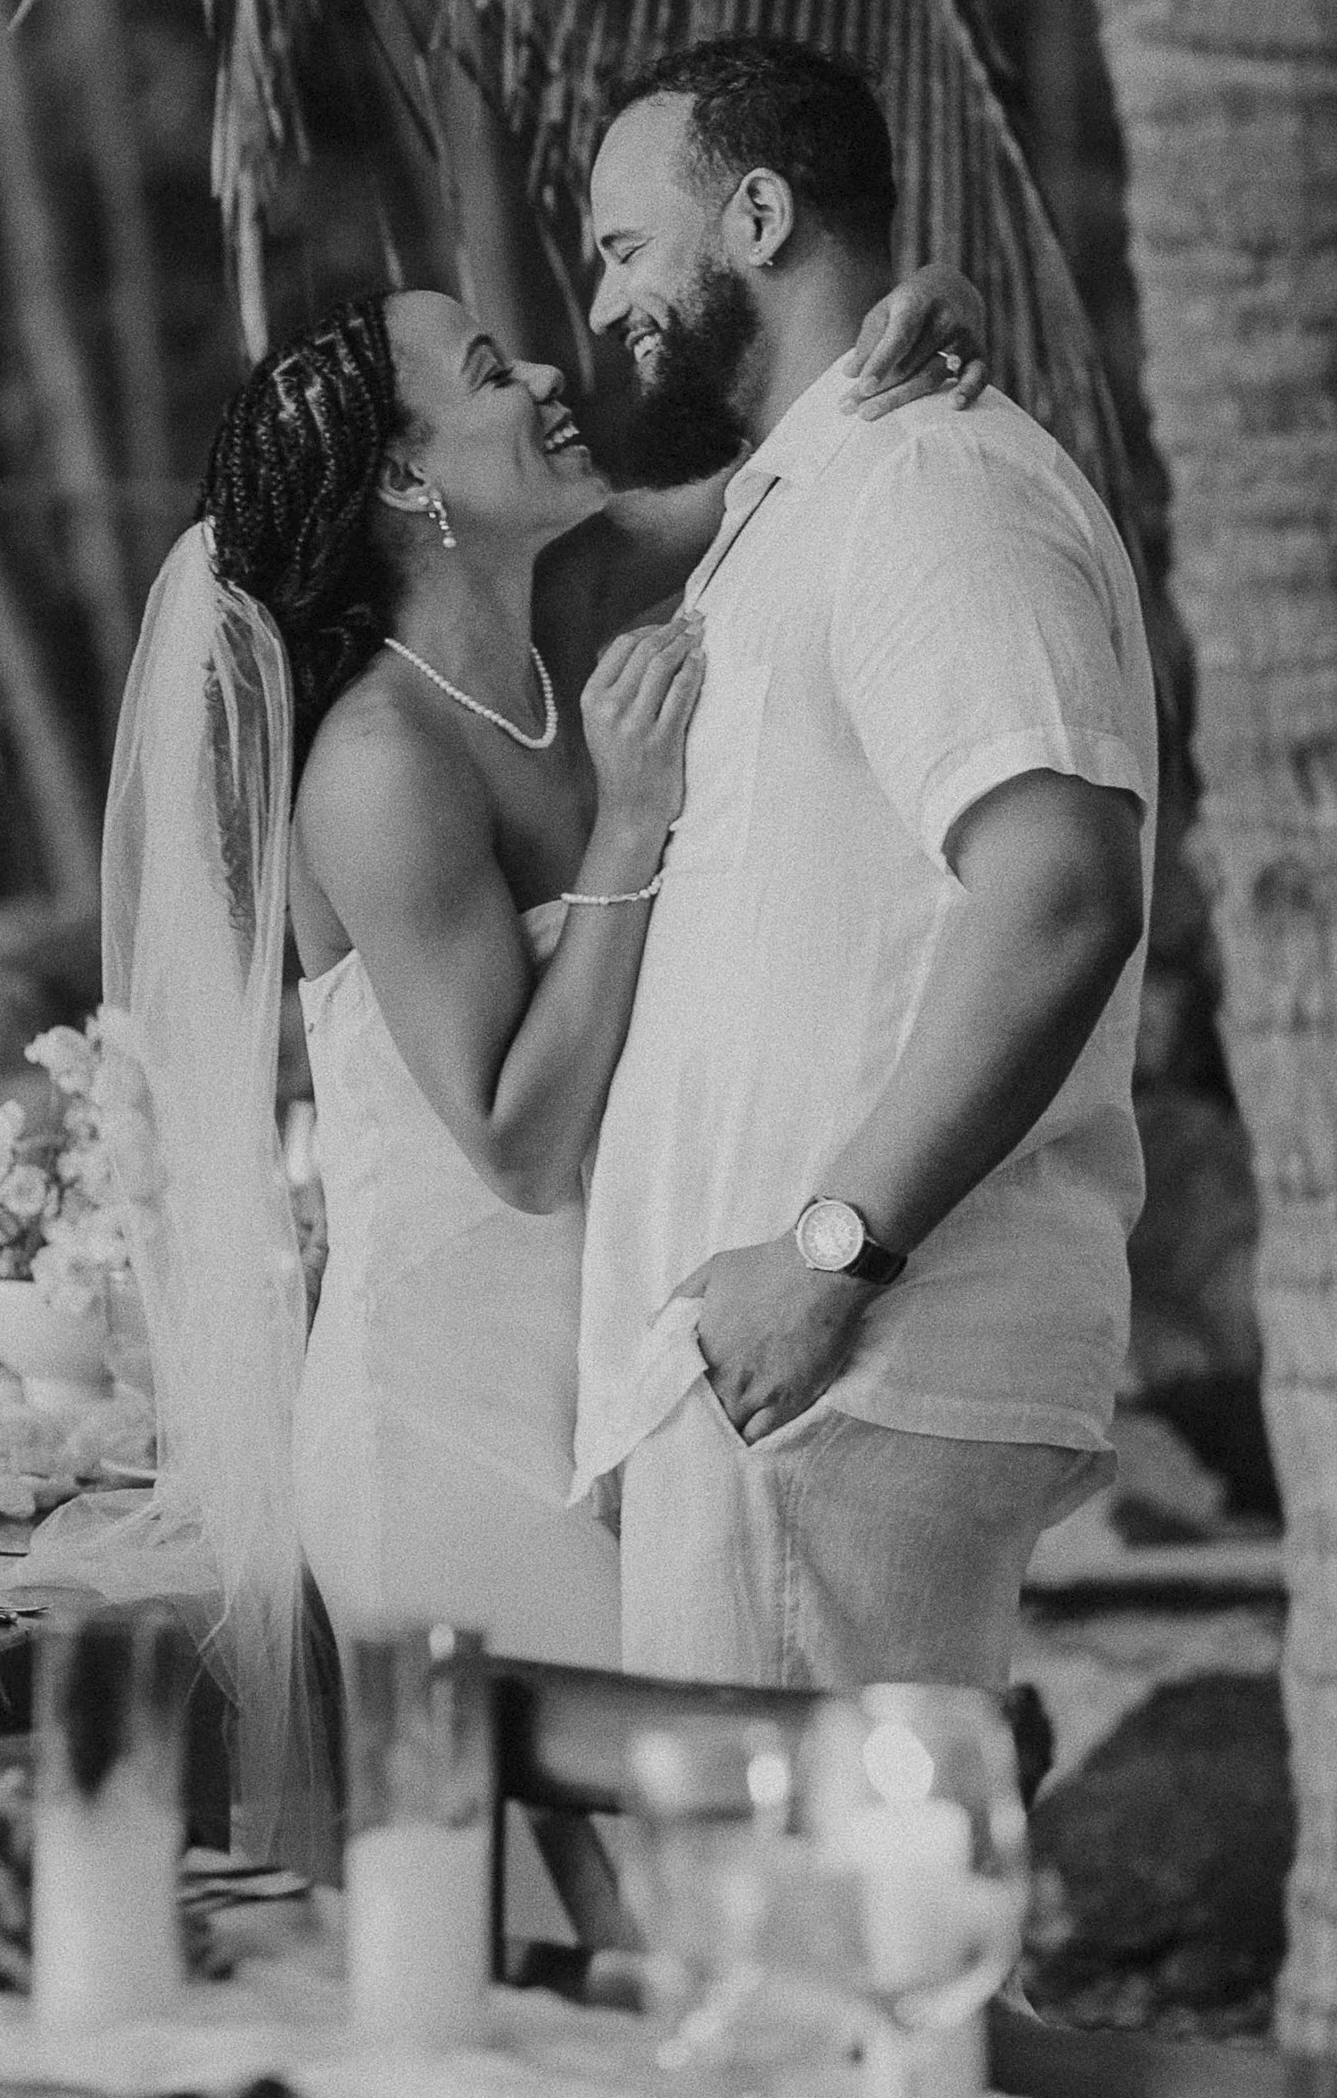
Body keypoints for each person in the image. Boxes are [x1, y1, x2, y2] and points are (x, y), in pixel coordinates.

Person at [67, 243, 989, 1858]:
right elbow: (518, 1141)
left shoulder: (566, 606)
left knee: (666, 1903)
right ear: (410, 485)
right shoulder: (378, 760)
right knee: (599, 1921)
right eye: (490, 371)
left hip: (594, 1380)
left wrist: (896, 342)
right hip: (446, 1422)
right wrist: (635, 818)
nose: (551, 374)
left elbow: (784, 480)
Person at [581, 35, 1155, 1691]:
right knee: (834, 1941)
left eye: (626, 246)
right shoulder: (810, 498)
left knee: (809, 1945)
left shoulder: (929, 481)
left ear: (757, 212)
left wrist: (826, 1258)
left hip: (844, 1357)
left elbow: (1060, 893)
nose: (604, 305)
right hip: (777, 1379)